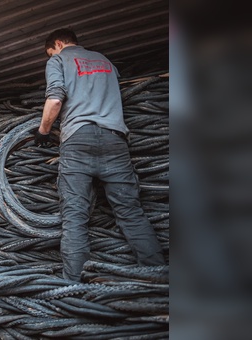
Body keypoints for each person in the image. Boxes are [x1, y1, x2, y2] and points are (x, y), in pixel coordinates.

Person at [34, 28, 165, 282]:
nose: (51, 55)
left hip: (78, 140)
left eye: (51, 51)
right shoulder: (105, 61)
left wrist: (43, 131)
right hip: (114, 141)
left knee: (74, 217)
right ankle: (159, 280)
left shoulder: (58, 60)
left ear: (58, 44)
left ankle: (74, 288)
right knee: (130, 212)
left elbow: (55, 100)